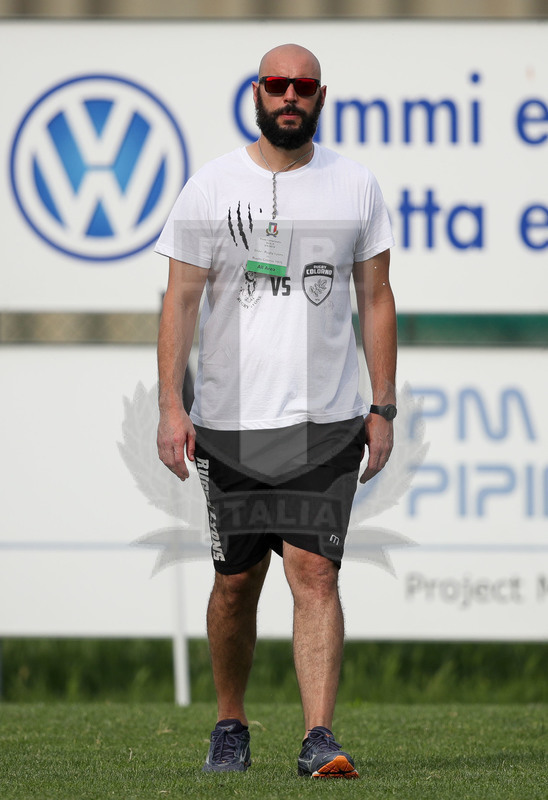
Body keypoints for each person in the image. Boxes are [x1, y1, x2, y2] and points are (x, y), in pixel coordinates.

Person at [155, 43, 397, 779]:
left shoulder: (355, 186)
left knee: (316, 576)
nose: (290, 96)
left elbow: (377, 298)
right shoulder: (208, 186)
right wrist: (172, 404)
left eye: (303, 86)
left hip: (325, 419)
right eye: (277, 85)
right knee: (235, 582)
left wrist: (382, 405)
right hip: (229, 421)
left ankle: (319, 737)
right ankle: (230, 723)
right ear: (257, 93)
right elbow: (181, 299)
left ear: (321, 97)